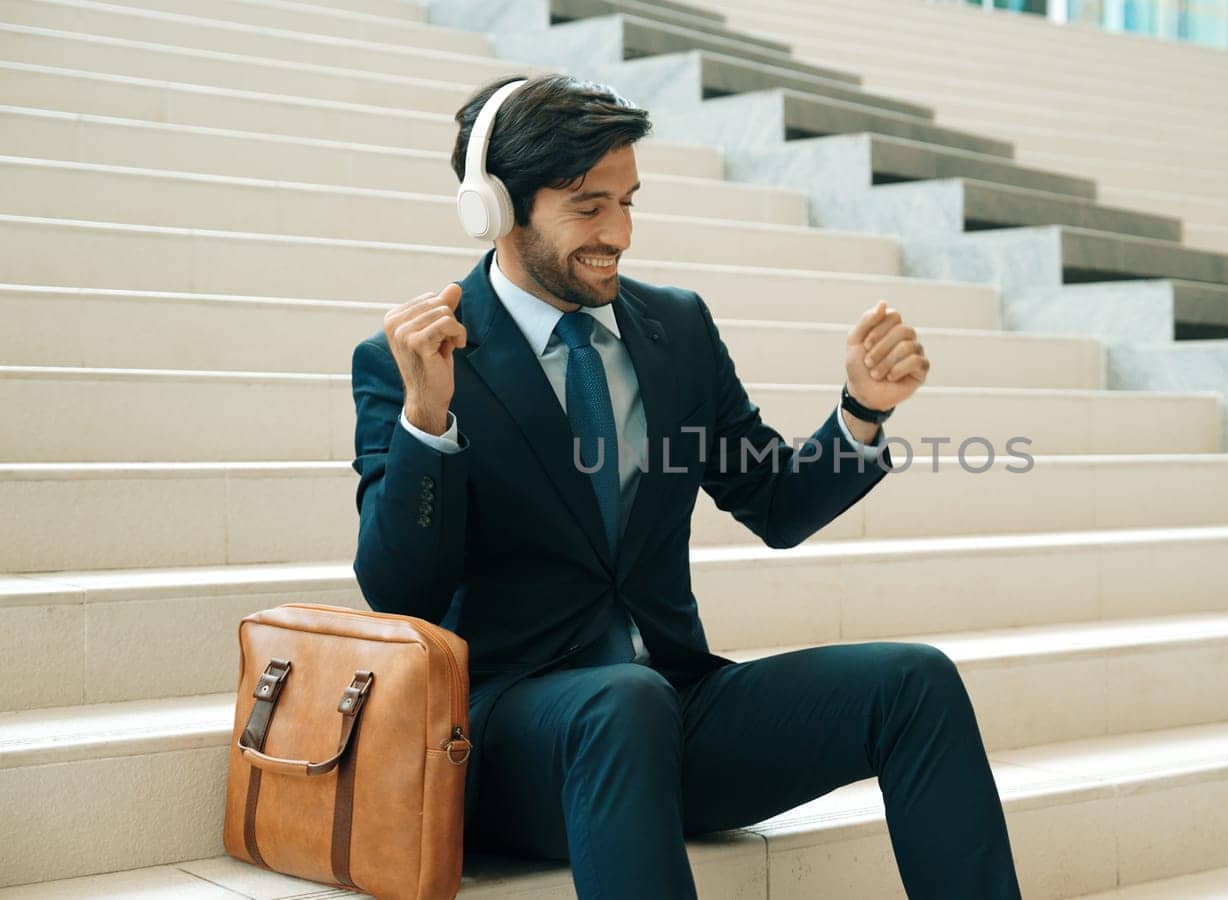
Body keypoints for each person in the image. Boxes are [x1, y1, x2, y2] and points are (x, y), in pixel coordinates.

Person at [349, 73, 1022, 899]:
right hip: (513, 742)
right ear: (495, 208)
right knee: (621, 703)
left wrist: (860, 413)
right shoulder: (411, 362)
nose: (619, 232)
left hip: (670, 714)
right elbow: (398, 591)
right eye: (588, 207)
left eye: (629, 201)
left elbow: (773, 502)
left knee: (913, 681)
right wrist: (429, 419)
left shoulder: (676, 329)